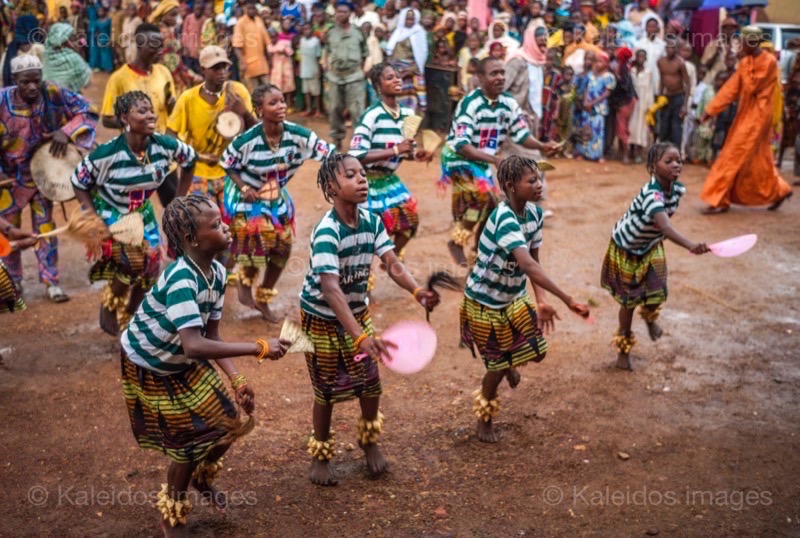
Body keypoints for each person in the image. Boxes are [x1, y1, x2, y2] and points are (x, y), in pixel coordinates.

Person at [120, 195, 289, 537]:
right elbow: (194, 344)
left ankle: (201, 477)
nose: (226, 226)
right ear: (192, 240)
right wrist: (258, 347)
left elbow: (210, 334)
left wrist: (237, 380)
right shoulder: (182, 279)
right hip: (152, 364)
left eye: (222, 221)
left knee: (230, 423)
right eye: (215, 225)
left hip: (184, 358)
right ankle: (173, 512)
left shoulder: (217, 272)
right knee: (187, 444)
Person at [299, 153, 440, 485]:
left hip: (356, 312)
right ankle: (320, 456)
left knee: (370, 381)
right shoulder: (326, 232)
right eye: (352, 175)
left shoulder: (373, 221)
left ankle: (369, 440)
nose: (362, 179)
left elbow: (392, 263)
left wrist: (417, 291)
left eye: (363, 173)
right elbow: (331, 291)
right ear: (332, 188)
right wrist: (361, 337)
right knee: (326, 388)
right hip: (320, 317)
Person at [460, 156, 589, 443]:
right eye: (531, 180)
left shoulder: (535, 215)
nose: (539, 184)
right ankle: (485, 419)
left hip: (513, 296)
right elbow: (528, 265)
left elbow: (535, 261)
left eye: (539, 179)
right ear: (511, 186)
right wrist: (568, 300)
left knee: (536, 350)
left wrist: (541, 300)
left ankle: (508, 365)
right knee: (495, 367)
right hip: (485, 302)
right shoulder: (503, 218)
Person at [71, 91, 196, 335]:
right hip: (111, 210)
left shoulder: (163, 145)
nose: (151, 115)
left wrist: (179, 197)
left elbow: (190, 159)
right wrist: (91, 215)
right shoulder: (107, 154)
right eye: (142, 111)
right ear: (124, 119)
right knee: (131, 261)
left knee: (151, 268)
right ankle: (109, 303)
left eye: (151, 110)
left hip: (141, 211)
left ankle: (130, 313)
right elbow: (78, 181)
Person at [220, 84, 334, 321]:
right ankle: (244, 280)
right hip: (245, 194)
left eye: (282, 101)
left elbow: (329, 152)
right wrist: (244, 186)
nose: (281, 106)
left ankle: (263, 296)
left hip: (275, 194)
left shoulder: (298, 135)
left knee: (283, 245)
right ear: (259, 110)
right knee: (259, 234)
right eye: (273, 103)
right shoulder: (246, 140)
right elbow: (227, 163)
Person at [440, 57, 557, 268]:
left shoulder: (509, 103)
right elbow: (461, 145)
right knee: (484, 198)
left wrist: (541, 145)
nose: (501, 77)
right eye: (494, 73)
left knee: (492, 208)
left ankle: (476, 251)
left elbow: (521, 135)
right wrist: (494, 159)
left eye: (502, 73)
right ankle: (457, 242)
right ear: (480, 78)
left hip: (482, 159)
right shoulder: (470, 103)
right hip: (459, 158)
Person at [601, 142, 709, 370]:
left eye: (678, 160)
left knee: (658, 290)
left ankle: (650, 318)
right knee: (629, 302)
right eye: (668, 161)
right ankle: (623, 349)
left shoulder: (676, 189)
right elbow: (666, 227)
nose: (676, 165)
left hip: (651, 244)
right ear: (652, 166)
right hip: (627, 248)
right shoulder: (651, 194)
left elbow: (662, 227)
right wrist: (691, 245)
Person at [0, 55, 97, 304]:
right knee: (8, 231)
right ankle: (13, 281)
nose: (32, 87)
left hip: (44, 176)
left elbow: (86, 111)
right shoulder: (1, 102)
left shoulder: (52, 92)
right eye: (25, 82)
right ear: (13, 80)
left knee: (44, 229)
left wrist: (65, 132)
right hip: (9, 179)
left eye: (36, 80)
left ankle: (51, 281)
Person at [166, 45, 256, 269]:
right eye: (215, 68)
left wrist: (244, 112)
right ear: (202, 69)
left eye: (225, 66)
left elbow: (257, 132)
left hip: (231, 175)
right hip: (199, 174)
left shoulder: (238, 93)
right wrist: (189, 157)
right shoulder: (188, 99)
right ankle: (199, 269)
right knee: (201, 227)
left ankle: (223, 271)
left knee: (232, 226)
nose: (222, 72)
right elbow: (170, 137)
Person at [699, 26, 793, 214]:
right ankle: (779, 190)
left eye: (742, 42)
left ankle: (719, 200)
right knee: (758, 160)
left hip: (758, 117)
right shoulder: (745, 62)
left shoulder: (769, 62)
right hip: (745, 114)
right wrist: (710, 110)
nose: (739, 46)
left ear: (751, 42)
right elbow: (730, 89)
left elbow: (752, 87)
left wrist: (744, 64)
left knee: (732, 154)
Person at [349, 62, 434, 266]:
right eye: (389, 77)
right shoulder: (372, 115)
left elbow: (406, 151)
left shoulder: (407, 115)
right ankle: (364, 288)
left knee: (410, 222)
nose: (397, 80)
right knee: (368, 236)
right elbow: (356, 154)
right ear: (378, 87)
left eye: (398, 77)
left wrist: (416, 155)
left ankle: (390, 260)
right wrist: (396, 150)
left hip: (389, 181)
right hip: (367, 182)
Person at [325, 0, 368, 151]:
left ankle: (359, 142)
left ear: (350, 14)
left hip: (354, 77)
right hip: (335, 77)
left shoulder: (358, 32)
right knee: (335, 108)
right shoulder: (331, 32)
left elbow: (364, 53)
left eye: (343, 11)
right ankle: (337, 139)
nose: (340, 14)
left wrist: (359, 70)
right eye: (338, 11)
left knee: (357, 110)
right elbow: (327, 51)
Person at [150, 0, 201, 93]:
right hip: (169, 77)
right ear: (163, 15)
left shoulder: (162, 29)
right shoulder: (165, 33)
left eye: (177, 15)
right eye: (172, 15)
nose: (176, 18)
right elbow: (172, 63)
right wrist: (191, 76)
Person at [576, 52, 615, 162]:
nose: (598, 64)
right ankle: (583, 153)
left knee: (598, 131)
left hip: (598, 108)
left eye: (600, 62)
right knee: (585, 130)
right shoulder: (590, 75)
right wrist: (585, 101)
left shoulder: (609, 77)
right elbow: (586, 89)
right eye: (596, 62)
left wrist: (592, 103)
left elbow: (606, 94)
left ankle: (597, 155)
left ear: (606, 63)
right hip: (587, 106)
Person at [656, 36, 689, 148]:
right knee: (664, 126)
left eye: (672, 48)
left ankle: (676, 154)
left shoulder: (680, 63)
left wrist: (685, 105)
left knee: (676, 127)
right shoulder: (660, 62)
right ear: (665, 48)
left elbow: (687, 84)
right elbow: (662, 80)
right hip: (666, 97)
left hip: (678, 97)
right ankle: (663, 153)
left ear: (676, 49)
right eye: (668, 47)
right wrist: (660, 97)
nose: (670, 50)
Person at [233, 0, 271, 92]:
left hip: (262, 64)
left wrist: (269, 58)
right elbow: (237, 46)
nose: (251, 11)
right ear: (246, 9)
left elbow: (266, 42)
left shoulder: (259, 20)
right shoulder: (240, 23)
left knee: (268, 90)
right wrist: (242, 62)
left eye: (253, 8)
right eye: (249, 8)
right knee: (254, 93)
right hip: (249, 65)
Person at [42, 21, 92, 92]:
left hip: (49, 98)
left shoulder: (46, 56)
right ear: (64, 40)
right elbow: (87, 82)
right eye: (69, 38)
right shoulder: (74, 59)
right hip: (69, 98)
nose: (71, 43)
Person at [628, 48, 654, 164]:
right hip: (632, 101)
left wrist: (650, 105)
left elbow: (650, 88)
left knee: (641, 127)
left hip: (643, 101)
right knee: (631, 125)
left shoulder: (648, 72)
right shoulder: (631, 70)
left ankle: (639, 151)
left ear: (646, 59)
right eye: (639, 56)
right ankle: (631, 150)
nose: (641, 59)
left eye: (643, 57)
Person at [701, 17, 740, 86]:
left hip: (734, 81)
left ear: (735, 30)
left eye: (732, 29)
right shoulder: (713, 44)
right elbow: (705, 65)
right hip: (714, 80)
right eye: (727, 28)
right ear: (722, 30)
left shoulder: (739, 44)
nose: (729, 31)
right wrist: (716, 52)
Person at [268, 17, 296, 112]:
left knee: (288, 86)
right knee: (278, 87)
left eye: (274, 36)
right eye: (271, 37)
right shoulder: (272, 43)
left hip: (286, 67)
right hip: (277, 68)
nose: (273, 38)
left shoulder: (285, 41)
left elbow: (290, 52)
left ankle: (289, 105)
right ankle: (279, 105)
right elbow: (270, 52)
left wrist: (283, 52)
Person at [298, 22, 322, 117]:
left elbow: (318, 57)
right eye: (304, 29)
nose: (306, 31)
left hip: (313, 69)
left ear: (312, 30)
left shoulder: (316, 41)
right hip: (304, 69)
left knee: (316, 92)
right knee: (306, 91)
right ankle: (309, 109)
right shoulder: (302, 40)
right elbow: (301, 56)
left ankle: (318, 110)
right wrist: (299, 68)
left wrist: (319, 70)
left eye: (308, 29)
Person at [634, 17, 664, 90]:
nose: (652, 29)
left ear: (657, 28)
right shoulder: (639, 44)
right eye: (649, 27)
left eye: (654, 27)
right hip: (642, 79)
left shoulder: (662, 45)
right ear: (646, 28)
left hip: (656, 78)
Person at [89, 4, 114, 72]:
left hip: (107, 38)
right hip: (100, 39)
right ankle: (103, 67)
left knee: (107, 53)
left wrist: (111, 39)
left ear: (105, 11)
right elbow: (96, 32)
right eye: (99, 11)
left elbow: (111, 30)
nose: (100, 13)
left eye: (102, 11)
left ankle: (109, 68)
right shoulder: (97, 22)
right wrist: (97, 39)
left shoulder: (109, 20)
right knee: (102, 54)